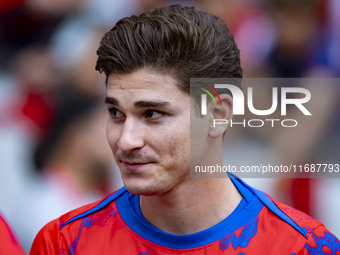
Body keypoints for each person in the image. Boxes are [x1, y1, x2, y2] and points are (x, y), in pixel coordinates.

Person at [30, 4, 340, 254]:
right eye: (115, 113)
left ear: (218, 114)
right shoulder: (64, 243)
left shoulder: (302, 247)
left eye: (152, 113)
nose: (126, 140)